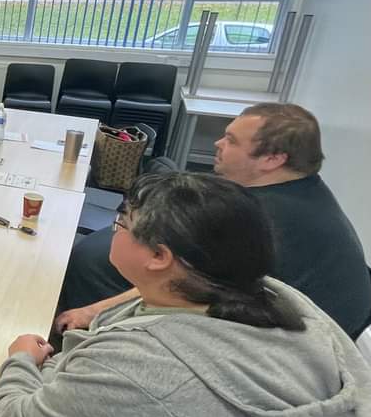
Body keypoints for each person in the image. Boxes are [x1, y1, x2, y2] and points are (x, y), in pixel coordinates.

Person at [0, 172, 371, 417]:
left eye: (122, 223)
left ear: (160, 257)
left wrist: (21, 360)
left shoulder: (143, 368)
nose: (115, 228)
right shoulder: (269, 297)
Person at [57, 103, 371, 340]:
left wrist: (94, 311)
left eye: (232, 141)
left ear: (273, 159)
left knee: (87, 268)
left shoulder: (264, 218)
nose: (218, 144)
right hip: (278, 322)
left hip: (279, 345)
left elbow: (190, 281)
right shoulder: (297, 191)